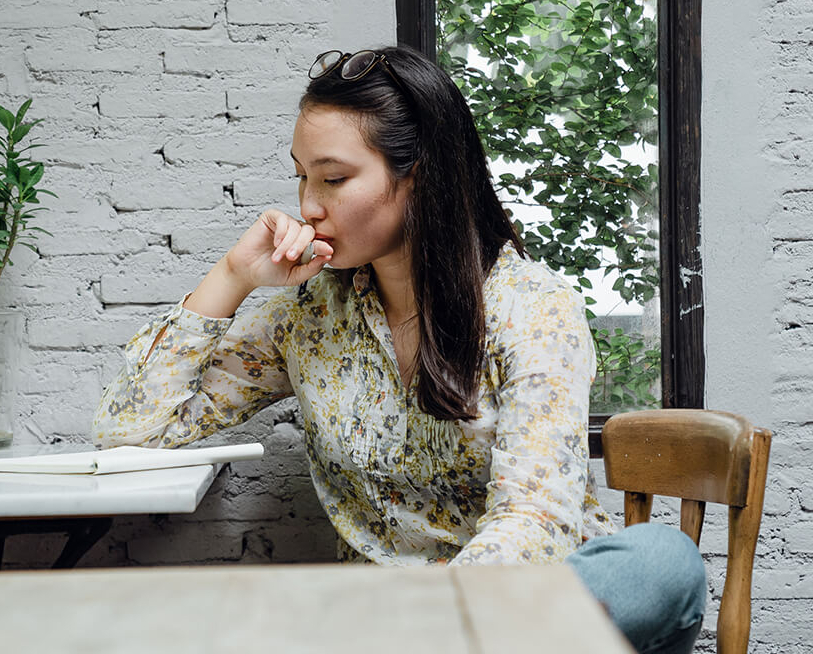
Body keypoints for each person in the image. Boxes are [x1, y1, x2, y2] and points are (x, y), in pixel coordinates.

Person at [93, 46, 706, 654]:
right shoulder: (307, 318)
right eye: (302, 177)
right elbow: (129, 433)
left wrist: (429, 622)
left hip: (518, 615)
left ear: (422, 173)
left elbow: (535, 522)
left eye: (333, 179)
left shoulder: (532, 307)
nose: (308, 205)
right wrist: (232, 276)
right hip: (379, 625)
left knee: (660, 561)